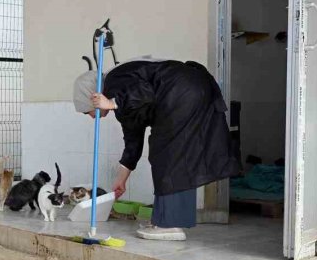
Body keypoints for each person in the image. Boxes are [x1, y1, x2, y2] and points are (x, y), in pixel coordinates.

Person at [73, 58, 241, 241]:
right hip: (193, 88)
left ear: (92, 96)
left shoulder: (114, 81)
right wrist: (121, 179)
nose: (90, 117)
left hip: (181, 90)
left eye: (85, 111)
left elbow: (146, 92)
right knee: (176, 154)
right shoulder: (122, 100)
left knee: (167, 154)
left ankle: (169, 224)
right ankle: (166, 219)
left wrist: (112, 102)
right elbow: (133, 139)